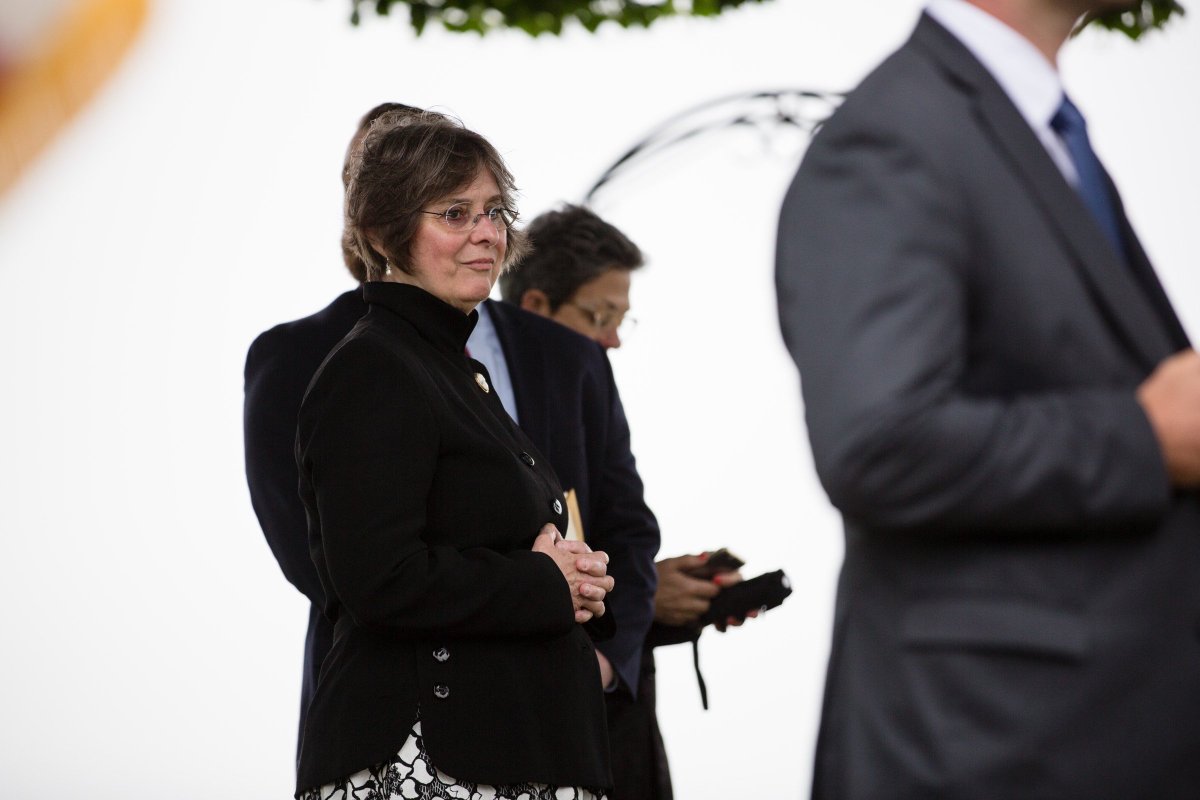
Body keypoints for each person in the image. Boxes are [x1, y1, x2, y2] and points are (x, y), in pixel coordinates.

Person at [775, 1, 1200, 797]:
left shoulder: (1028, 128)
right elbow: (880, 445)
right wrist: (1144, 437)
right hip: (991, 750)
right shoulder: (893, 138)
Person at [245, 104, 661, 790]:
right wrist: (546, 583)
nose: (486, 234)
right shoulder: (373, 366)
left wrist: (585, 581)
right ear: (383, 230)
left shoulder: (446, 365)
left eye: (494, 212)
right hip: (430, 758)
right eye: (455, 214)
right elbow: (374, 579)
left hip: (512, 743)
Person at [500, 204, 756, 800]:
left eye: (622, 320)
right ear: (535, 305)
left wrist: (639, 602)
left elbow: (628, 529)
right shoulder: (453, 386)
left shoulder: (593, 388)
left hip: (607, 729)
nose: (613, 338)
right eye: (600, 316)